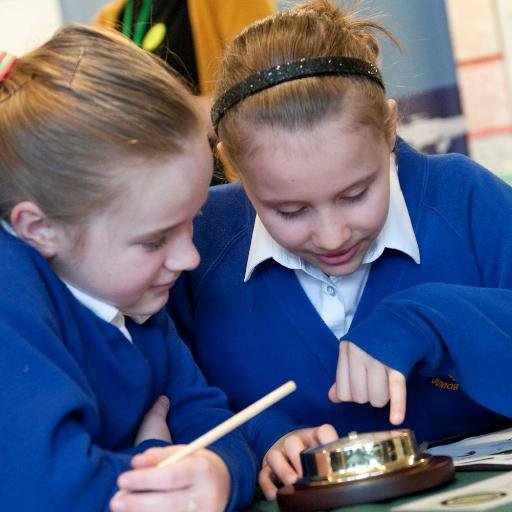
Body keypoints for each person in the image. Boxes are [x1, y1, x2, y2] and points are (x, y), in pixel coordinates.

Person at [166, 0, 512, 500]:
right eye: (289, 210)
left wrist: (426, 318)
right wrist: (260, 441)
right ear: (229, 163)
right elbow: (169, 397)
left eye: (355, 195)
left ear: (390, 129)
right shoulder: (197, 242)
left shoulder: (463, 198)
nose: (331, 237)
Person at [0, 24, 261, 512]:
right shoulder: (9, 298)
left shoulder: (133, 295)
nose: (189, 258)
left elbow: (209, 422)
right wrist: (155, 457)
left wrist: (218, 474)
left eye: (193, 220)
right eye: (154, 240)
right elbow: (51, 494)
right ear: (39, 229)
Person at [94, 0, 276, 184]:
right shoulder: (108, 19)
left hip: (219, 183)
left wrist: (154, 117)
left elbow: (263, 96)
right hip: (146, 186)